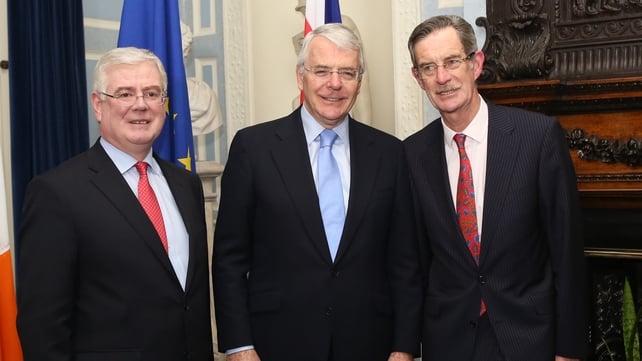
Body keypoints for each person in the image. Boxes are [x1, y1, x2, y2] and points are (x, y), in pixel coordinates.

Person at [212, 23, 422, 361]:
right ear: (300, 77)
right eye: (322, 71)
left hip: (370, 344)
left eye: (347, 72)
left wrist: (404, 347)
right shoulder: (254, 149)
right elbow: (229, 259)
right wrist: (239, 345)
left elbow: (405, 263)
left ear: (359, 81)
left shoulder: (390, 154)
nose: (334, 84)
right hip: (274, 345)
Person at [404, 15, 588, 361]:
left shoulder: (537, 137)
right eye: (429, 67)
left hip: (529, 339)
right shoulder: (411, 155)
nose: (442, 77)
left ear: (476, 63)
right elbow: (413, 265)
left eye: (452, 62)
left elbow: (567, 253)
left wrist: (570, 349)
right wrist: (407, 348)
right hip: (449, 342)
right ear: (418, 78)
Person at [16, 47, 214, 361]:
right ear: (98, 105)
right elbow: (43, 324)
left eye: (151, 93)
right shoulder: (57, 192)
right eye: (124, 94)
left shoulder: (185, 184)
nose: (141, 105)